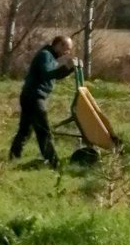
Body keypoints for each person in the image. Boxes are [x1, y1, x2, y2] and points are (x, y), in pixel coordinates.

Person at [10, 34, 79, 167]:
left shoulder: (51, 57)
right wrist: (67, 67)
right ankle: (54, 163)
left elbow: (54, 75)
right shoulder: (45, 55)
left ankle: (14, 156)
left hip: (29, 96)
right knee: (43, 131)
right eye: (67, 48)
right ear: (58, 45)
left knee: (25, 130)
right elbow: (47, 74)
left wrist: (69, 69)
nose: (68, 52)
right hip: (34, 97)